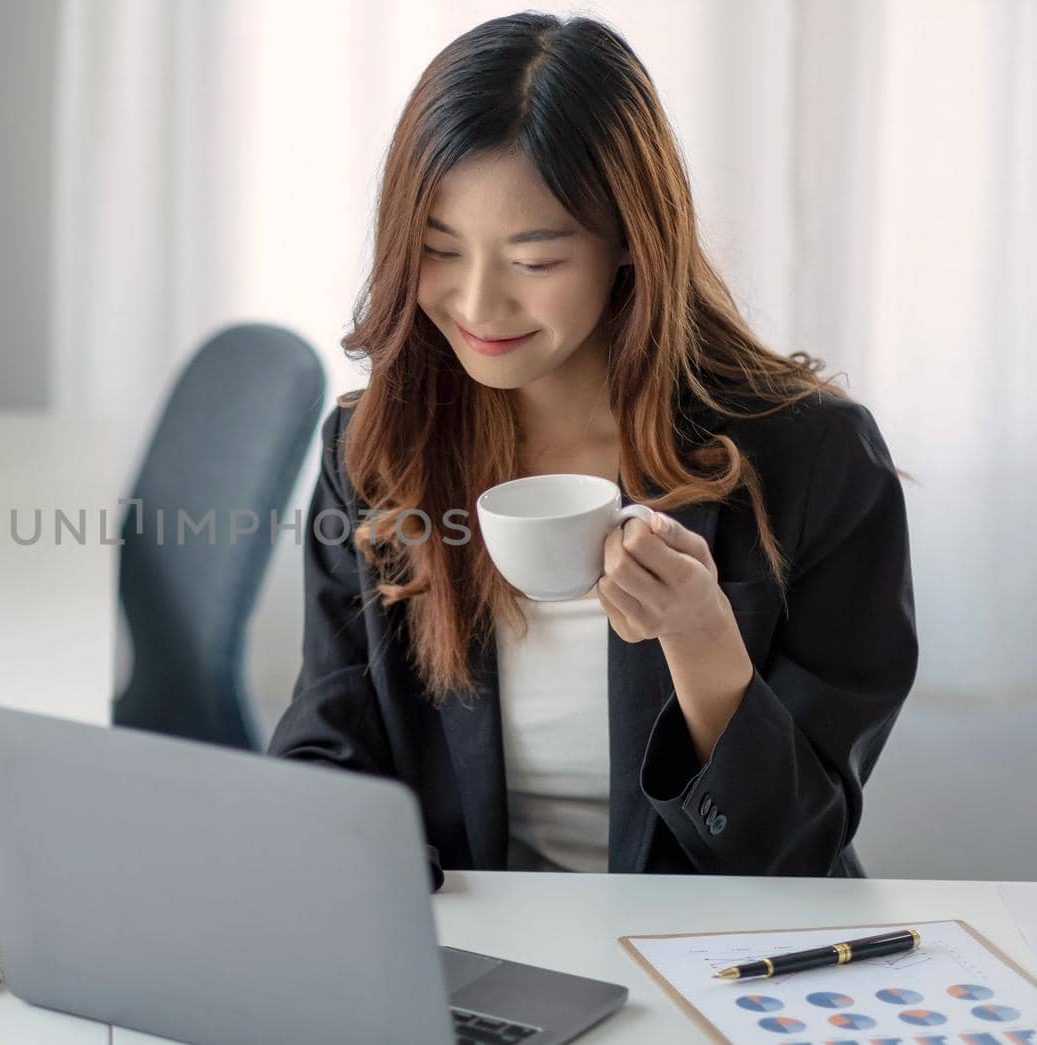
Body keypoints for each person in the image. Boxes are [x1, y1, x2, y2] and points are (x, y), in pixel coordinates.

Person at [267, 12, 916, 887]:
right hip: (472, 961)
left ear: (629, 245)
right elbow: (326, 735)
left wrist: (701, 640)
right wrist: (342, 854)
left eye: (535, 260)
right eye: (437, 250)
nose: (478, 304)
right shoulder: (381, 446)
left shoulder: (816, 462)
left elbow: (793, 849)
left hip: (715, 964)